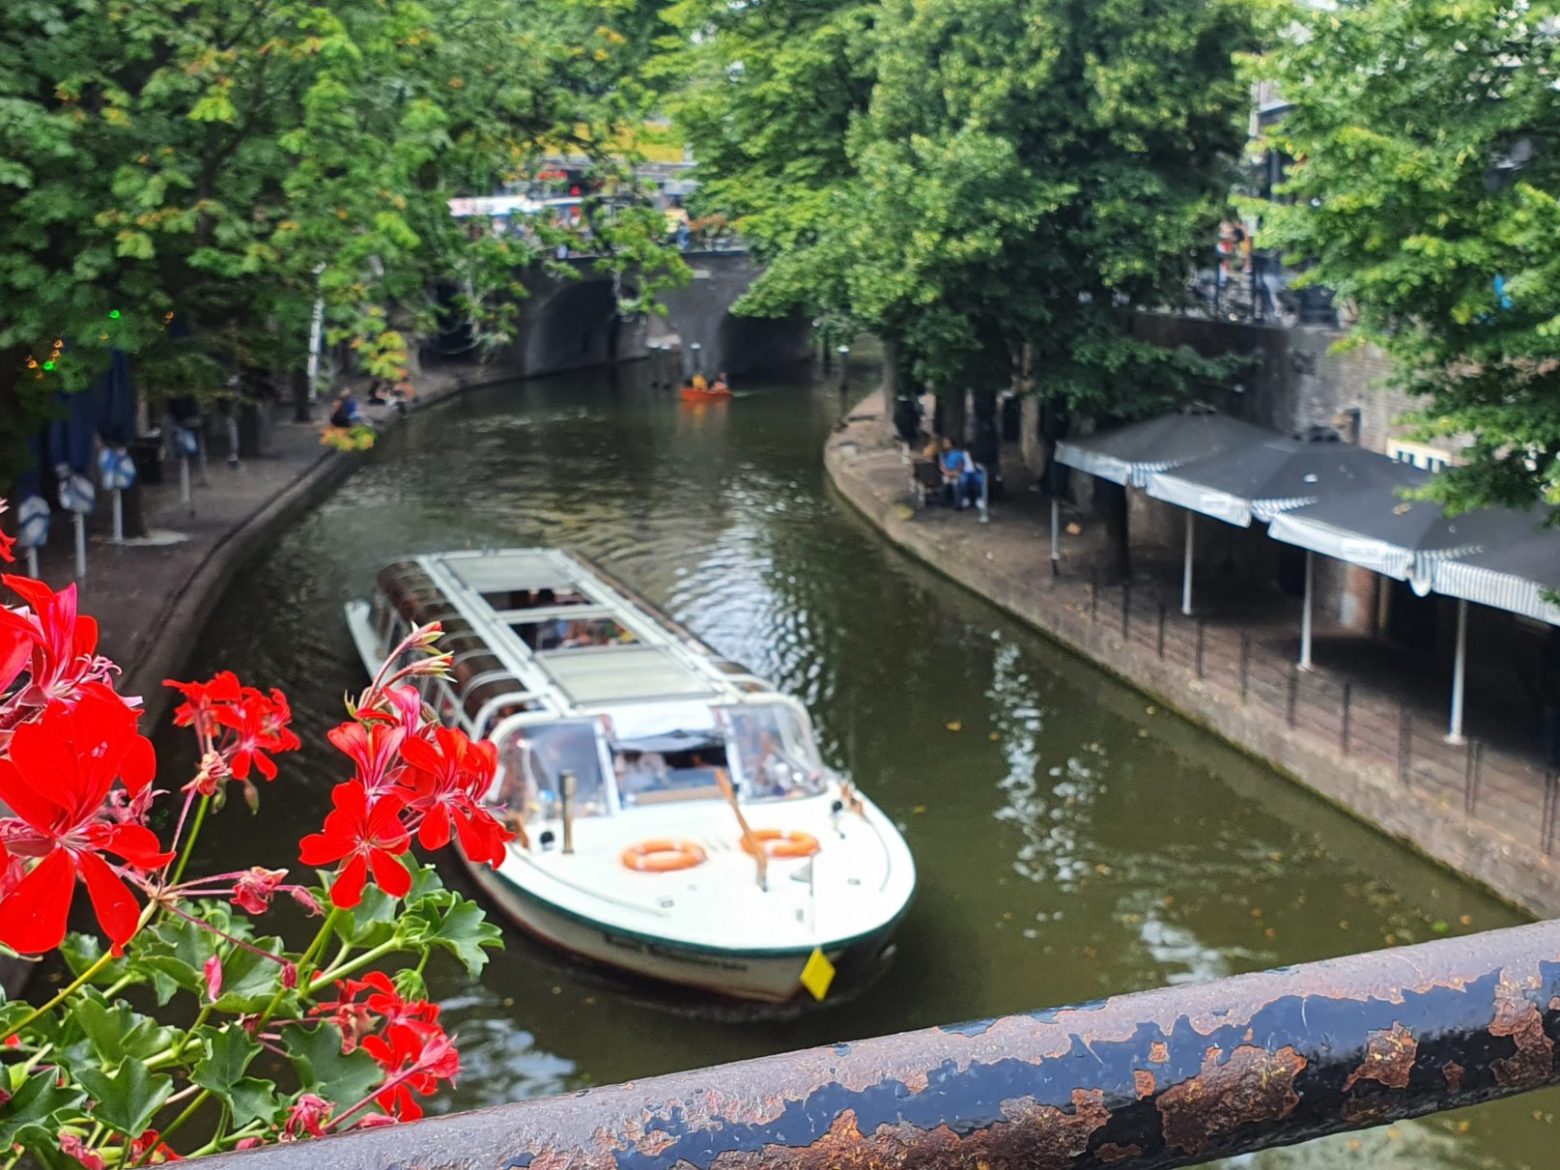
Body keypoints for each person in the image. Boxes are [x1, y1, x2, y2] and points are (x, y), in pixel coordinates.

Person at [938, 437, 980, 510]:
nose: (944, 445)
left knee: (956, 485)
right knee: (944, 484)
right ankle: (942, 503)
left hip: (956, 472)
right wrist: (947, 473)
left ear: (951, 444)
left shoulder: (958, 454)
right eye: (943, 443)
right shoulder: (942, 454)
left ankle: (958, 505)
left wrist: (955, 472)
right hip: (946, 472)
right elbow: (942, 465)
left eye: (946, 443)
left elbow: (960, 465)